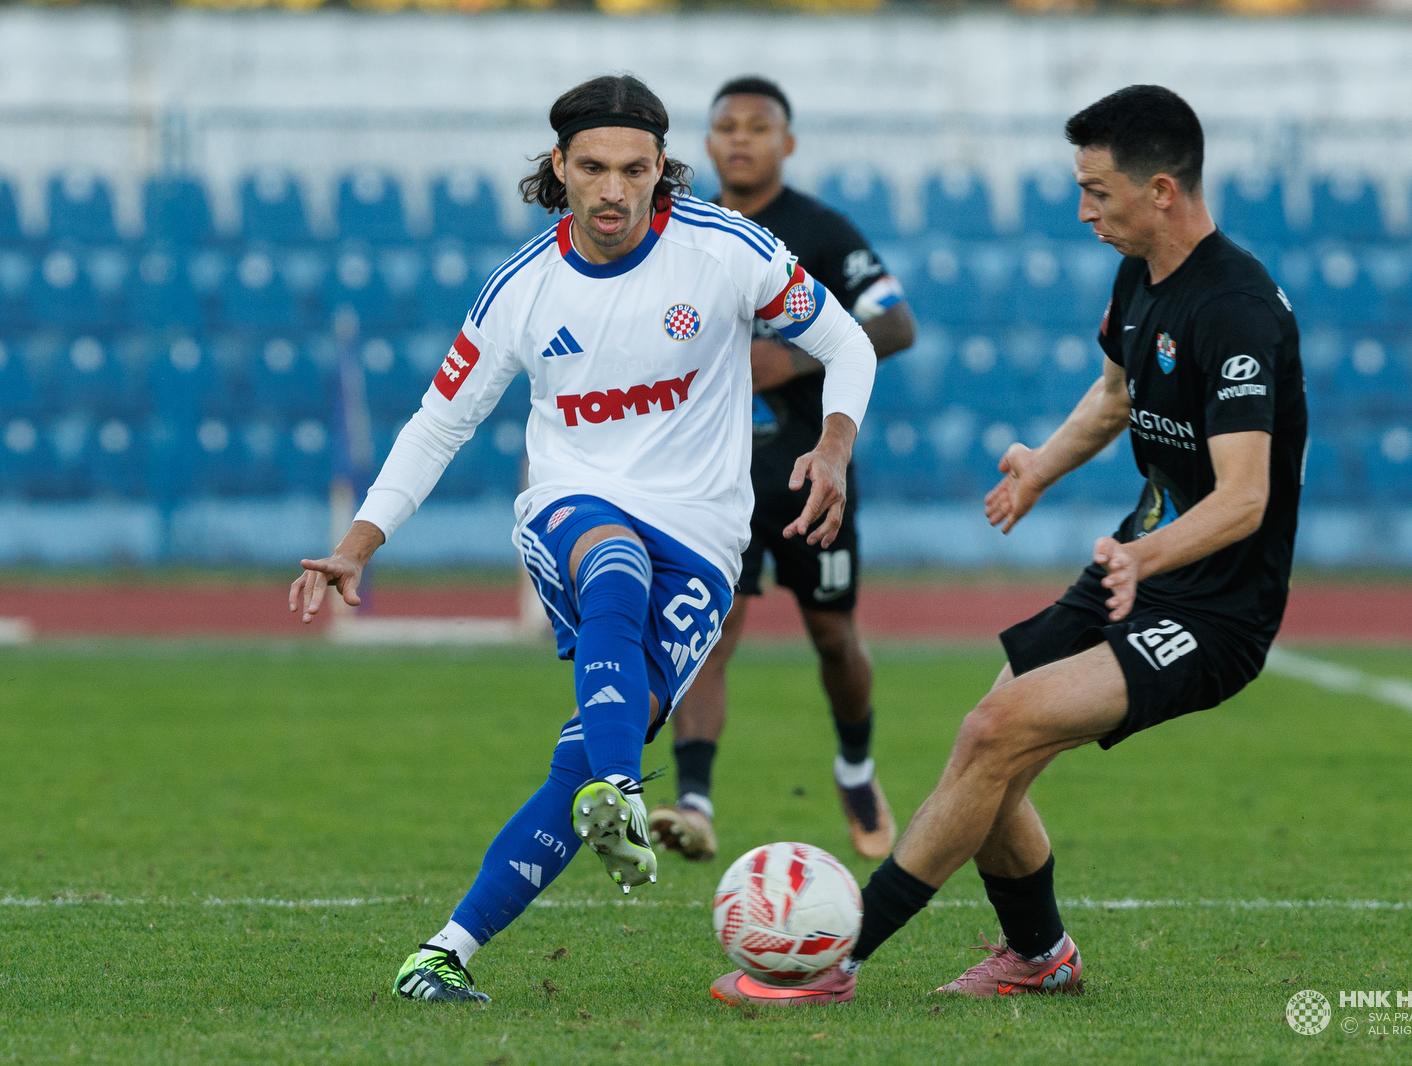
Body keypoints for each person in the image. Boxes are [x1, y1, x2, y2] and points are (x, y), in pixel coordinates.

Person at [710, 83, 1307, 1006]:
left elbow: (1246, 499)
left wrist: (1144, 559)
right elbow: (1114, 396)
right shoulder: (1141, 272)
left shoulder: (1234, 308)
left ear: (1160, 189)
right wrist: (1041, 469)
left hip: (1212, 607)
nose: (1083, 211)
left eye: (1098, 192)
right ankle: (1039, 957)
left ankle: (834, 963)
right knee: (988, 754)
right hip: (1134, 566)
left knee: (996, 734)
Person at [288, 74, 877, 1004]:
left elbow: (852, 343)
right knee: (613, 559)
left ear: (662, 170)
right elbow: (440, 422)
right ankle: (626, 791)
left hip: (706, 538)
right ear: (558, 167)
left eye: (634, 170)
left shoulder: (727, 251)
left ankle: (442, 954)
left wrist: (834, 446)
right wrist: (362, 541)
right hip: (572, 502)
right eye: (592, 168)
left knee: (579, 756)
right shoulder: (522, 288)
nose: (612, 191)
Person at [647, 76, 917, 865]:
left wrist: (787, 359)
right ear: (705, 143)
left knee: (833, 636)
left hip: (807, 472)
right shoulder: (676, 232)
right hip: (709, 478)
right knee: (711, 633)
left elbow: (894, 323)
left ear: (786, 143)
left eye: (758, 127)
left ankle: (857, 769)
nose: (740, 139)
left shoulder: (822, 232)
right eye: (725, 125)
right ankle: (693, 797)